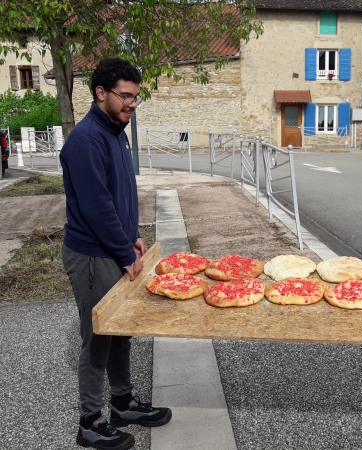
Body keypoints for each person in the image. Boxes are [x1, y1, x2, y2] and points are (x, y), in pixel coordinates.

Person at [61, 58, 172, 450]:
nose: (132, 104)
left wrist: (134, 237)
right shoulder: (87, 139)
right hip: (93, 256)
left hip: (116, 247)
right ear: (101, 93)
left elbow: (121, 194)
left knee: (122, 331)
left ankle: (122, 404)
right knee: (98, 339)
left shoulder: (116, 131)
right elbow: (95, 207)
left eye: (136, 97)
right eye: (125, 96)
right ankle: (90, 423)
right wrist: (124, 255)